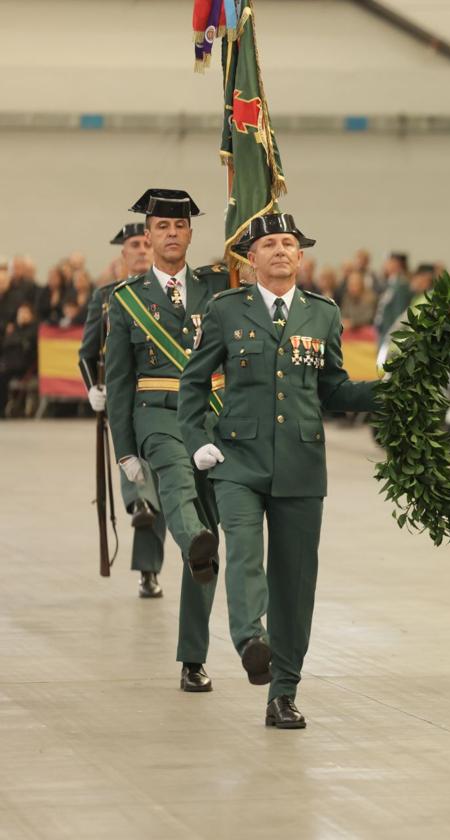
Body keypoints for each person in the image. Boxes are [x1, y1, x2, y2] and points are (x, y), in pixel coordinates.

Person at [179, 213, 380, 729]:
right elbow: (193, 384)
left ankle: (283, 692)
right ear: (252, 259)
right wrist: (199, 440)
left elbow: (332, 389)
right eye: (269, 244)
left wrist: (389, 392)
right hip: (237, 461)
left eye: (289, 243)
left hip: (301, 464)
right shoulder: (226, 311)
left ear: (301, 256)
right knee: (244, 551)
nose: (280, 251)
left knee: (295, 583)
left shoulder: (322, 314)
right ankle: (251, 640)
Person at [104, 188, 228, 691]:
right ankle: (189, 540)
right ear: (148, 236)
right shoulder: (127, 300)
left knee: (210, 543)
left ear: (191, 234)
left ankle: (192, 659)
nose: (171, 233)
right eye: (162, 226)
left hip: (214, 419)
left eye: (180, 226)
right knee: (176, 479)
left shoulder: (217, 288)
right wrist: (125, 450)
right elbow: (118, 378)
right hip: (157, 415)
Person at [78, 221, 166, 598]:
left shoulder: (172, 293)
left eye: (148, 243)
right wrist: (93, 389)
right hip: (123, 396)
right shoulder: (108, 297)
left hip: (163, 397)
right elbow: (86, 353)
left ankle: (148, 570)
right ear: (123, 254)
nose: (143, 249)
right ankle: (137, 502)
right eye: (135, 244)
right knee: (136, 466)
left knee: (158, 481)